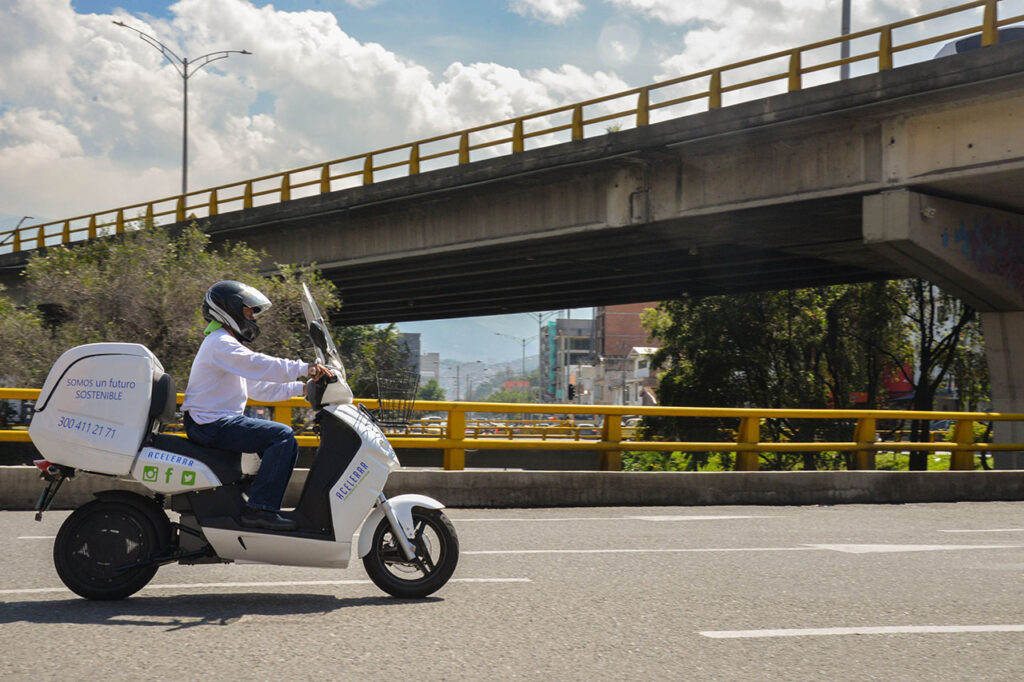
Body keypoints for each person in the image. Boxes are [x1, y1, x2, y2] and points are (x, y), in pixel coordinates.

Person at [182, 280, 331, 531]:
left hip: (214, 422)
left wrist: (302, 388)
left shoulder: (224, 346)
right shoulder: (220, 343)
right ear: (230, 309)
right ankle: (261, 510)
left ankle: (253, 495)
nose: (253, 317)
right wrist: (305, 368)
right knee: (281, 437)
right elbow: (259, 365)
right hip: (210, 424)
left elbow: (256, 387)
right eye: (249, 311)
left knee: (277, 436)